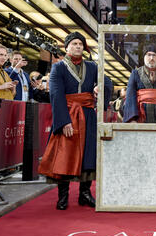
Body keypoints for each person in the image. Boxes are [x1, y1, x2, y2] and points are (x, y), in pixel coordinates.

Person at [38, 31, 113, 210]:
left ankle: (85, 194)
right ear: (67, 47)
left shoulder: (92, 67)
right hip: (68, 114)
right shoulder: (58, 68)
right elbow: (56, 95)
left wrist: (99, 88)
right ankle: (62, 195)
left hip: (87, 115)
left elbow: (107, 82)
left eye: (80, 44)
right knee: (65, 155)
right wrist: (64, 122)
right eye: (74, 44)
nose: (78, 46)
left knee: (88, 153)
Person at [123, 44, 156, 123]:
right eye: (149, 55)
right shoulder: (135, 73)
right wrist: (132, 119)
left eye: (154, 55)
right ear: (144, 56)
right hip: (141, 118)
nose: (151, 58)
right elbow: (130, 96)